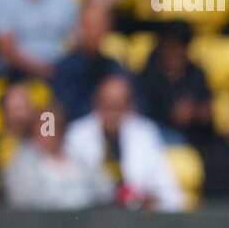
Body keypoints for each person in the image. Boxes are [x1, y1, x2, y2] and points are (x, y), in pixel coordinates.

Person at [64, 74, 185, 211]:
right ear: (95, 104)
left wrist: (148, 201)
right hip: (91, 220)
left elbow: (172, 196)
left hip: (135, 222)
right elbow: (67, 193)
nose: (111, 113)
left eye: (117, 106)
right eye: (105, 105)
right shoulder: (76, 135)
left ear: (129, 107)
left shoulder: (144, 134)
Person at [4, 103, 115, 210]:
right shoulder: (23, 163)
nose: (47, 136)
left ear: (61, 131)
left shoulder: (78, 158)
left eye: (51, 129)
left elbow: (105, 190)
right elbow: (23, 199)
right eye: (43, 130)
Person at [51, 0, 127, 122]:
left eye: (99, 26)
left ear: (107, 29)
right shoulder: (64, 69)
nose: (93, 32)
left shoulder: (114, 67)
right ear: (79, 28)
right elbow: (65, 112)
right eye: (89, 26)